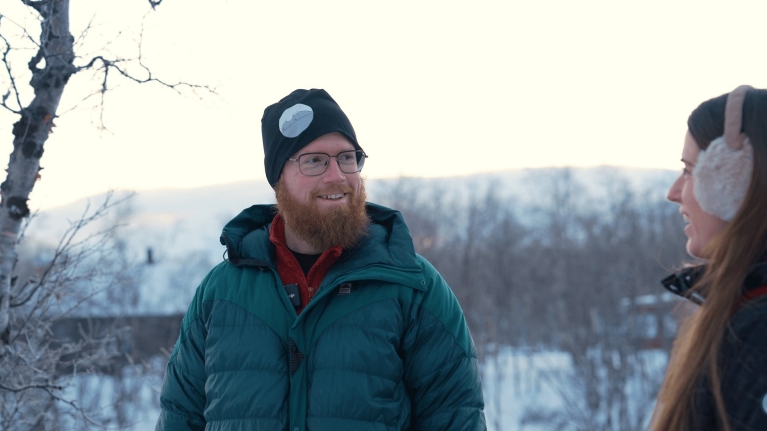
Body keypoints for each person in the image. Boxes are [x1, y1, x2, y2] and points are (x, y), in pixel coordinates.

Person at [155, 89, 486, 431]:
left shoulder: (413, 287)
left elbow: (456, 418)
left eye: (347, 157)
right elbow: (180, 417)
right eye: (315, 160)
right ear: (278, 178)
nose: (337, 176)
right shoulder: (220, 292)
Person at [653, 85, 767, 431]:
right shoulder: (745, 314)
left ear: (735, 183)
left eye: (690, 171)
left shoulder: (758, 336)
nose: (674, 193)